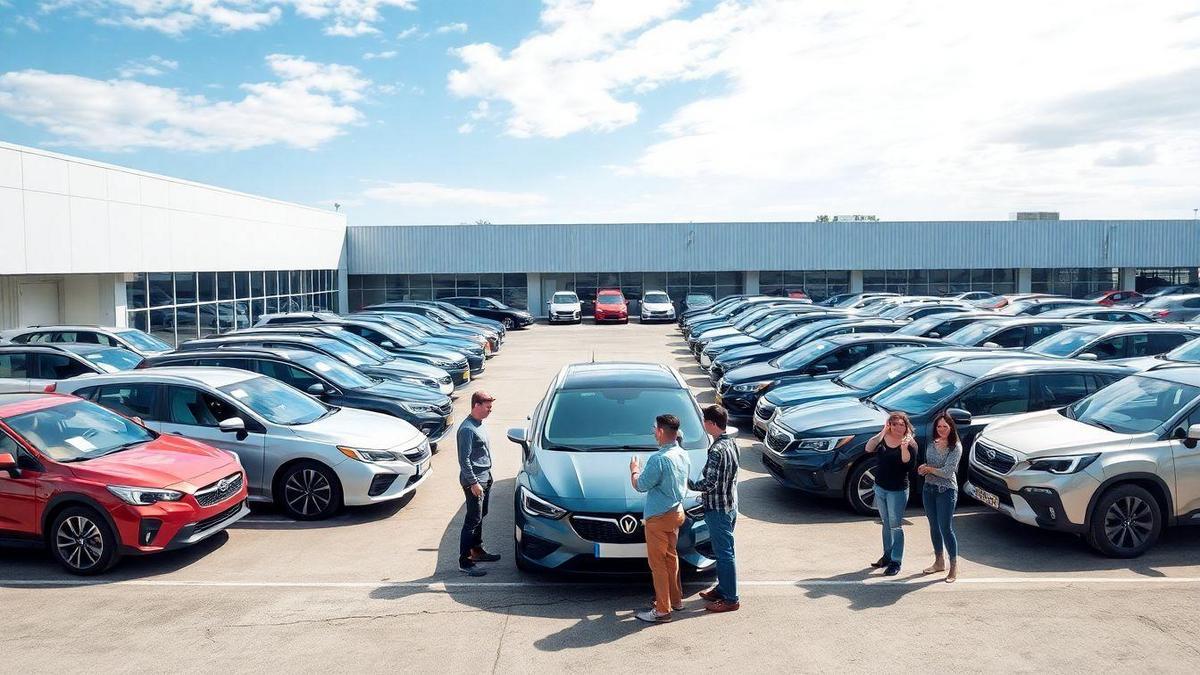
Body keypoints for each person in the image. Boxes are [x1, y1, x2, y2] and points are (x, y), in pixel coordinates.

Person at [629, 413, 691, 623]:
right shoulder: (682, 453)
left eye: (654, 428)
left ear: (662, 431)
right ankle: (676, 600)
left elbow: (641, 485)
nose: (653, 432)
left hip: (658, 516)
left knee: (658, 565)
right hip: (676, 513)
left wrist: (634, 471)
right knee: (671, 557)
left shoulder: (659, 459)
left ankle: (662, 610)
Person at [688, 404, 740, 613]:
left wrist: (689, 483)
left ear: (710, 423)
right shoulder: (732, 443)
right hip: (729, 505)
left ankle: (730, 598)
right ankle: (723, 588)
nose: (703, 425)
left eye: (704, 421)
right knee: (724, 551)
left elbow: (709, 483)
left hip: (717, 509)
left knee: (724, 553)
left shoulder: (717, 450)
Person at [864, 411, 916, 576]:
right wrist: (882, 432)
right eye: (894, 424)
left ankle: (896, 561)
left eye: (901, 424)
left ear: (906, 426)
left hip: (897, 490)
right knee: (885, 523)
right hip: (880, 487)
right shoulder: (883, 438)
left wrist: (903, 448)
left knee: (895, 525)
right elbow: (868, 448)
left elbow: (908, 465)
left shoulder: (910, 443)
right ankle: (887, 555)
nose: (898, 427)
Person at [457, 391, 500, 577]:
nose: (491, 410)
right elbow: (464, 460)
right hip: (474, 481)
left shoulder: (479, 424)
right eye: (488, 406)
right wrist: (474, 482)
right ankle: (465, 561)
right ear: (476, 405)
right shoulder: (467, 429)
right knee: (472, 520)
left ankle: (477, 551)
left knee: (481, 515)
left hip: (485, 478)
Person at [918, 412, 963, 583]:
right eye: (939, 426)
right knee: (933, 527)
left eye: (945, 426)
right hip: (929, 489)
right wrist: (923, 468)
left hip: (946, 490)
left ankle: (953, 566)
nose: (942, 429)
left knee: (946, 528)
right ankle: (939, 561)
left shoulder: (955, 447)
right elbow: (929, 463)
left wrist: (929, 469)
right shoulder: (932, 443)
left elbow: (947, 472)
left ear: (951, 427)